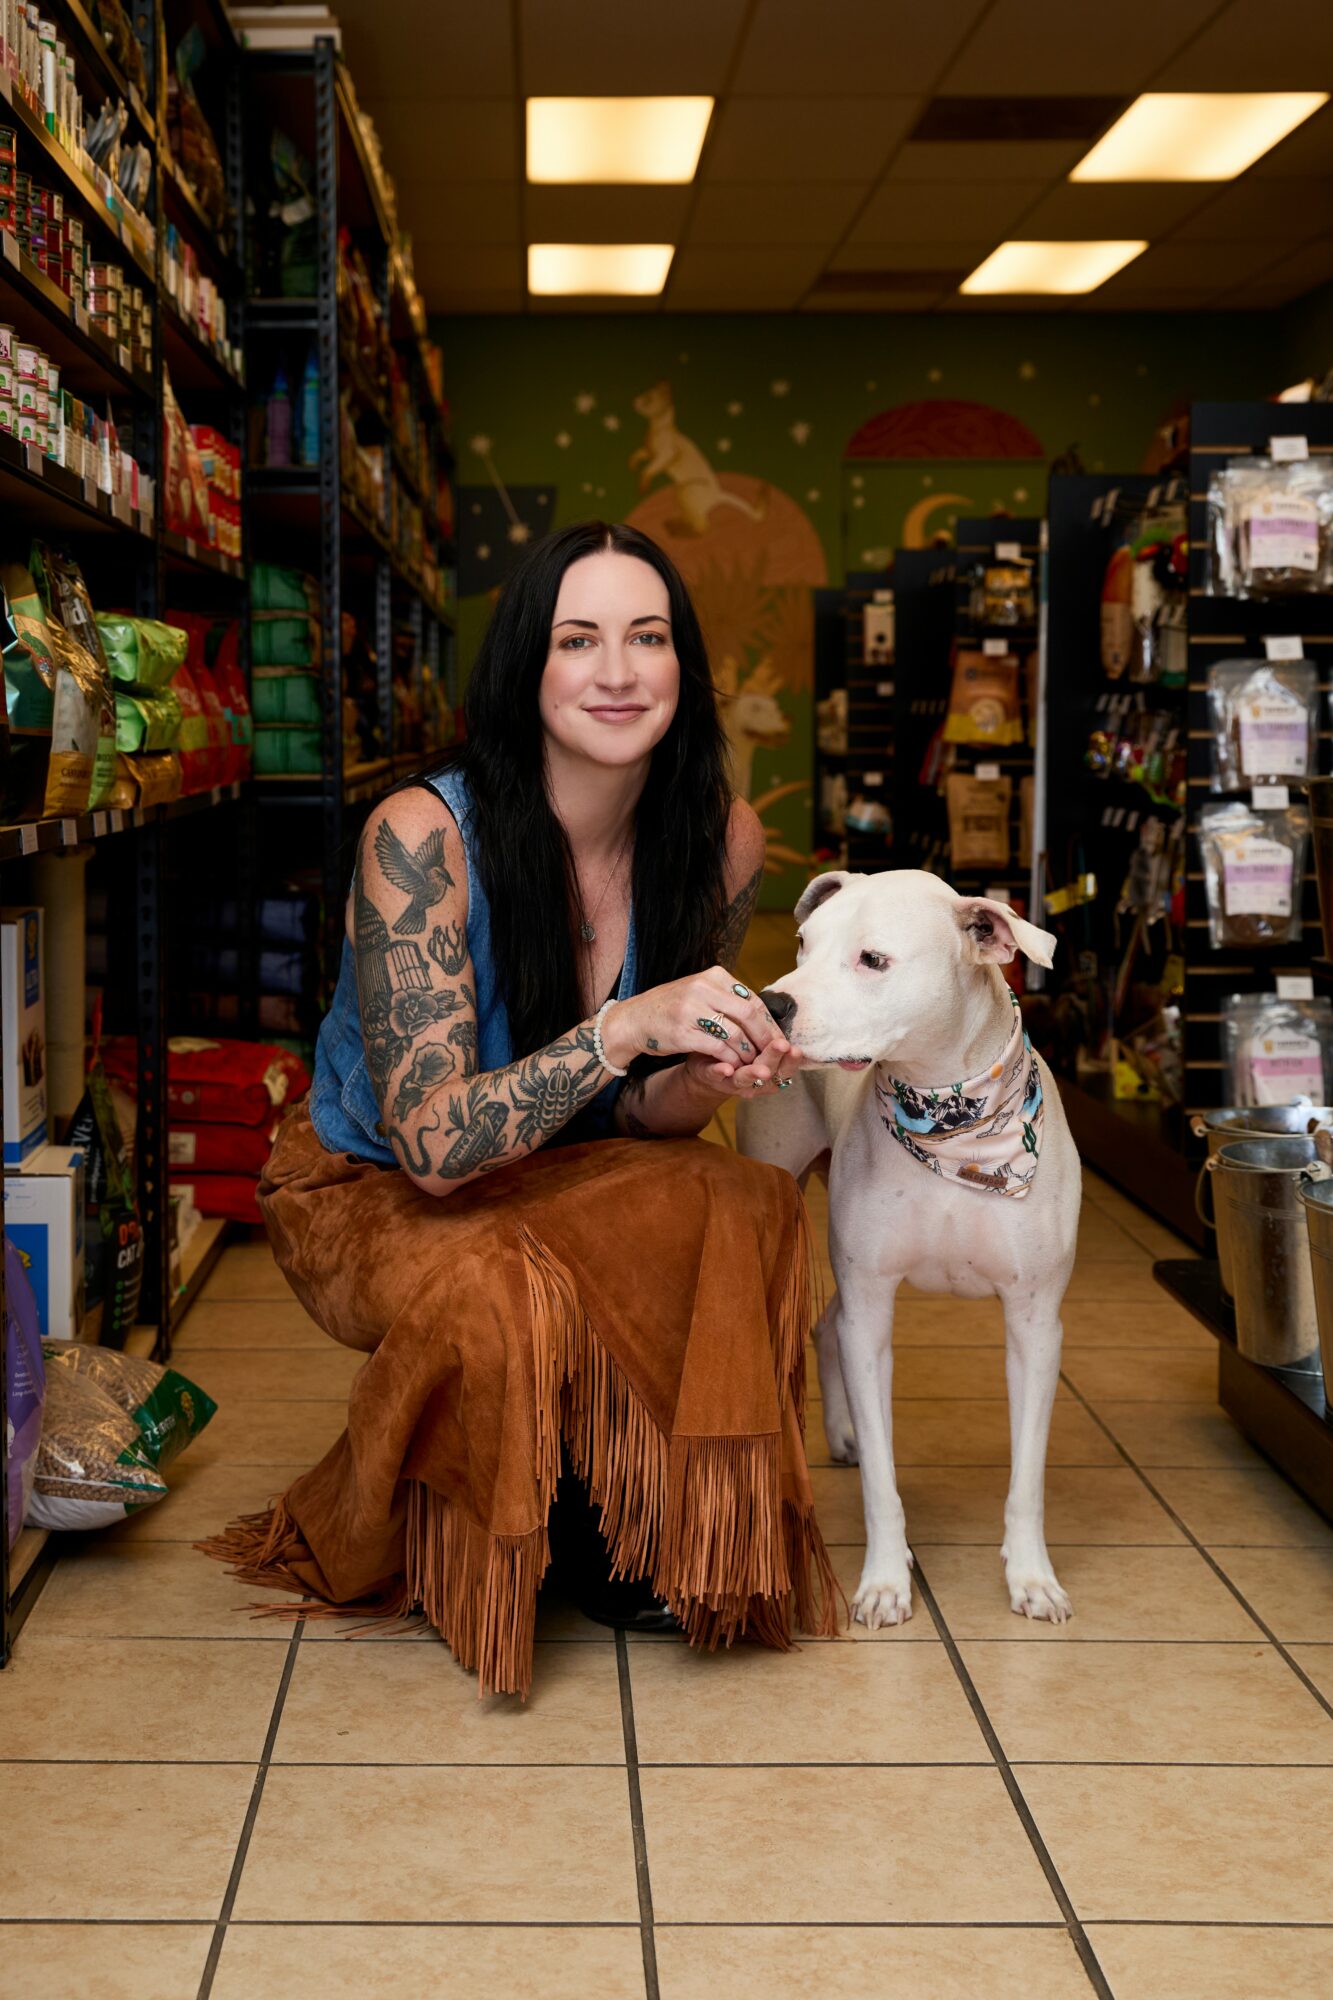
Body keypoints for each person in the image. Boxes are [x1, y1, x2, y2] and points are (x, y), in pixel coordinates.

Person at [201, 521, 838, 1695]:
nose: (617, 671)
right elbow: (434, 1149)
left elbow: (634, 1117)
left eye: (648, 637)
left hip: (561, 1160)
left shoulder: (720, 839)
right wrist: (623, 1027)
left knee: (741, 1194)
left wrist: (701, 1077)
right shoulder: (421, 837)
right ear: (524, 668)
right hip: (365, 1184)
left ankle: (656, 1523)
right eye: (577, 639)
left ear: (685, 665)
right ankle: (487, 1525)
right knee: (497, 1269)